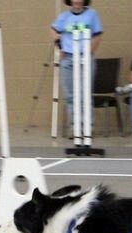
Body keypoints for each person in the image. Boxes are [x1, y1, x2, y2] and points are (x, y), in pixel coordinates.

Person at [51, 0, 103, 136]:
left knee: (85, 93)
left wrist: (89, 51)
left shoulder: (92, 14)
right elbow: (53, 30)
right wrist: (60, 47)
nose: (77, 2)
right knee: (70, 95)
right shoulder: (64, 16)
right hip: (68, 57)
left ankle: (88, 126)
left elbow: (98, 35)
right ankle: (75, 126)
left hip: (85, 55)